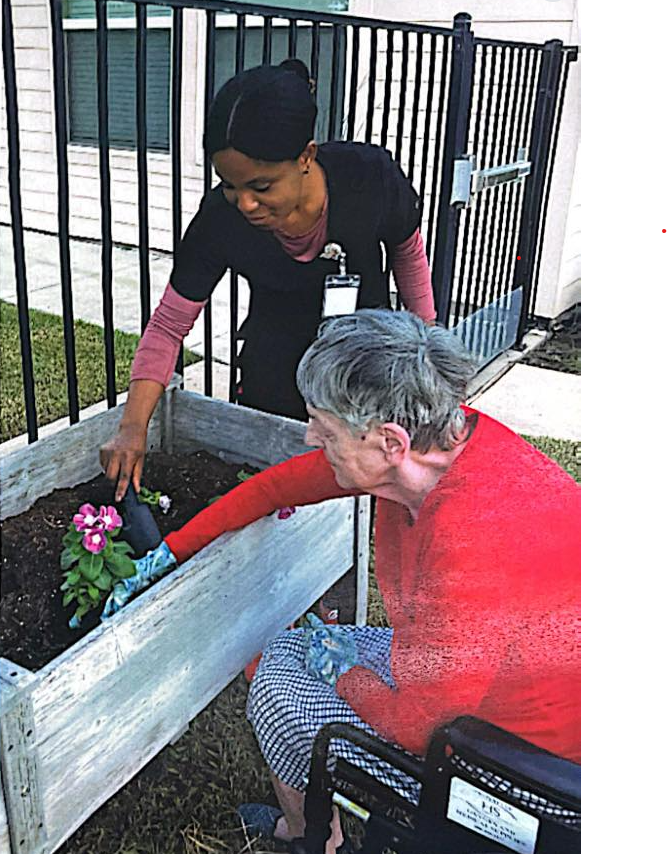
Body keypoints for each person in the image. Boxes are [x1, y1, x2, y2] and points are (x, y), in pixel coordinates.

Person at [132, 309, 581, 853]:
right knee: (292, 649)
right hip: (481, 690)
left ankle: (315, 840)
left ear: (389, 441)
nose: (309, 434)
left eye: (324, 426)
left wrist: (345, 676)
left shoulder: (476, 540)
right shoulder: (438, 447)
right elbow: (279, 487)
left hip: (516, 771)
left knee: (277, 685)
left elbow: (422, 725)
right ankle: (316, 823)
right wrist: (170, 552)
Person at [100, 59, 436, 505]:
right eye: (230, 186)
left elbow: (408, 254)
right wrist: (132, 428)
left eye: (261, 185)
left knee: (355, 501)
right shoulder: (220, 221)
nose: (246, 204)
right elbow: (168, 326)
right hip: (273, 374)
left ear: (306, 157)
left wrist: (427, 353)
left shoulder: (367, 177)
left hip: (365, 373)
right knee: (280, 502)